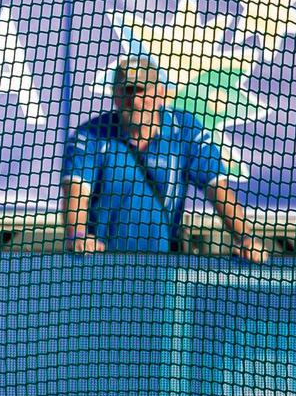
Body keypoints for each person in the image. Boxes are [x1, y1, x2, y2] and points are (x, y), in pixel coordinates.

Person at [62, 57, 268, 262]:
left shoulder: (186, 130)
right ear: (115, 95)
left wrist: (245, 237)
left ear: (160, 93)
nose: (134, 100)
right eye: (127, 91)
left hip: (164, 265)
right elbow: (76, 192)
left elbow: (217, 189)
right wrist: (78, 235)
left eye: (142, 91)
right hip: (102, 265)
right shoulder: (90, 136)